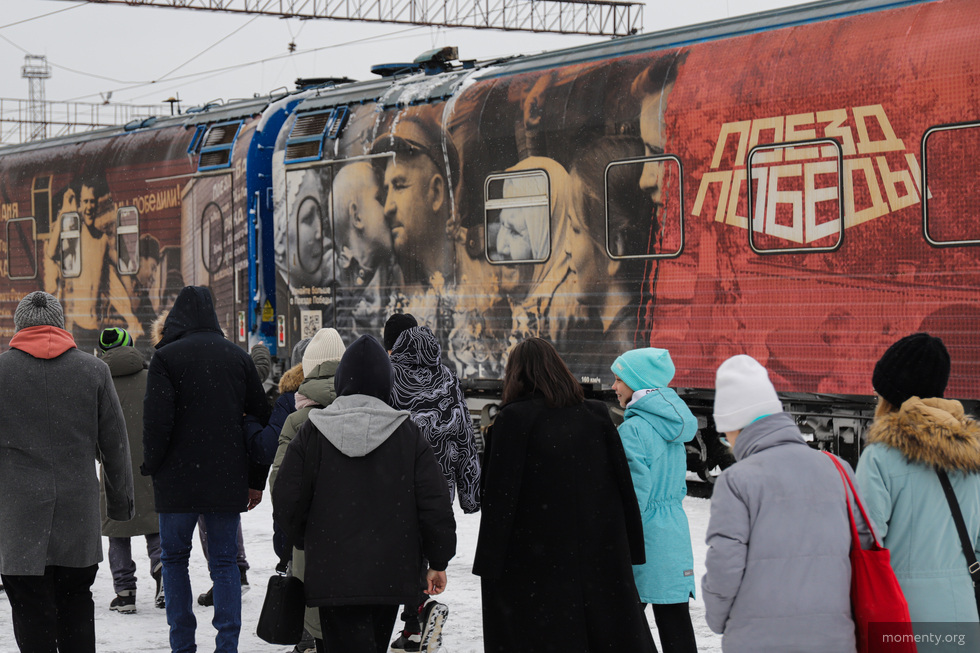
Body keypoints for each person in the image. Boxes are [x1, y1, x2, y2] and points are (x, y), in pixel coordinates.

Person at [273, 334, 457, 653]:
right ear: (387, 382)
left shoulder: (313, 432)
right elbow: (434, 503)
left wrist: (307, 538)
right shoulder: (407, 434)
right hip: (389, 573)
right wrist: (438, 558)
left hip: (331, 571)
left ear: (342, 380)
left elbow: (286, 497)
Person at [473, 337, 656, 653]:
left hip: (534, 562)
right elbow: (623, 486)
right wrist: (631, 549)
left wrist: (490, 565)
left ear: (516, 375)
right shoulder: (596, 415)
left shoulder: (513, 420)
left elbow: (498, 498)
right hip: (598, 554)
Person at [702, 354, 874, 652]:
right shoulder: (838, 469)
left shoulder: (737, 480)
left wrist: (717, 620)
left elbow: (724, 564)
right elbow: (866, 546)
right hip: (832, 637)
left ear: (735, 425)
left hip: (759, 640)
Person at [0, 291, 134, 652]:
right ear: (61, 324)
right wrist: (121, 504)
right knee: (76, 606)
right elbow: (116, 446)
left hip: (19, 521)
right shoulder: (94, 371)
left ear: (19, 326)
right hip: (78, 517)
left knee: (30, 611)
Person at [141, 286, 271, 653]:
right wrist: (255, 480)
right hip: (226, 479)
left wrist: (153, 466)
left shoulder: (165, 358)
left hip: (176, 481)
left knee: (173, 560)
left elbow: (156, 423)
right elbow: (259, 422)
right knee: (225, 562)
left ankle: (182, 644)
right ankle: (227, 644)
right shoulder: (238, 358)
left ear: (177, 317)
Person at [855, 333, 980, 622]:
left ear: (890, 398)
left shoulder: (880, 457)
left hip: (901, 613)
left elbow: (865, 542)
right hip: (962, 612)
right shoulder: (974, 458)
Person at [386, 317, 481, 652]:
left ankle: (413, 612)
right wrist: (470, 494)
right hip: (438, 485)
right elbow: (465, 436)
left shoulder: (389, 377)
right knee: (425, 550)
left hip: (396, 483)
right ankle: (415, 620)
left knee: (397, 550)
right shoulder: (447, 378)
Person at [611, 347, 698, 652]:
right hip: (673, 532)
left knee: (622, 626)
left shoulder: (633, 430)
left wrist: (615, 538)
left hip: (644, 536)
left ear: (637, 382)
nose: (613, 386)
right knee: (675, 622)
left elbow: (633, 496)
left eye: (619, 379)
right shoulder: (672, 426)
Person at [268, 327, 348, 653]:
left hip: (312, 543)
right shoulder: (362, 411)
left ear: (309, 369)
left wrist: (298, 530)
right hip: (359, 543)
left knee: (318, 623)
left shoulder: (297, 420)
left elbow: (280, 486)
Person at [566, 136, 653, 379]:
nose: (566, 248)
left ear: (615, 247)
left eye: (575, 230)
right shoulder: (634, 333)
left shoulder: (618, 360)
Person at [97, 327, 165, 613]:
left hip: (115, 468)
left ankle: (125, 592)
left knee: (118, 530)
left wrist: (103, 456)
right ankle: (163, 574)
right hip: (150, 466)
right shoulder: (152, 378)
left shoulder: (98, 381)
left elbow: (93, 428)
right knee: (155, 525)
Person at [60, 177, 140, 352]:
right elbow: (52, 252)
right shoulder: (75, 236)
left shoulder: (102, 240)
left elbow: (120, 263)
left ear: (96, 205)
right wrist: (65, 211)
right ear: (80, 204)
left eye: (92, 202)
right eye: (85, 201)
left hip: (96, 324)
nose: (89, 206)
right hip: (79, 324)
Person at [332, 161, 401, 336]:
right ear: (357, 216)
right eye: (380, 199)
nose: (387, 209)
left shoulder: (394, 270)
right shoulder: (336, 280)